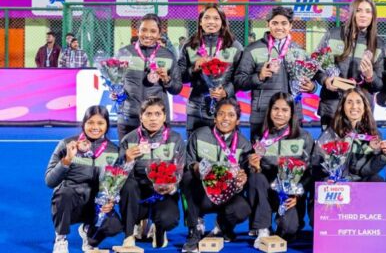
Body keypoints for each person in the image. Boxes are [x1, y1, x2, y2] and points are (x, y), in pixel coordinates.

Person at [45, 106, 122, 253]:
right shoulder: (67, 144)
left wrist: (111, 201)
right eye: (90, 122)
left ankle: (89, 232)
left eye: (100, 123)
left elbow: (116, 183)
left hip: (95, 203)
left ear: (107, 125)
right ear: (83, 124)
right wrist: (67, 160)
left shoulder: (113, 150)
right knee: (65, 194)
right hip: (70, 200)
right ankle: (61, 239)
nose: (95, 127)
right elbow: (50, 181)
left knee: (114, 225)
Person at [234, 7, 315, 140]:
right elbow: (239, 81)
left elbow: (313, 78)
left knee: (291, 152)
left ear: (290, 26)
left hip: (292, 113)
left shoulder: (299, 50)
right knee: (260, 152)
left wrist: (312, 87)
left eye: (284, 23)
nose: (279, 27)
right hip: (262, 114)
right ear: (268, 24)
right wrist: (259, 76)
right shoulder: (253, 49)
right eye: (275, 23)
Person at [181, 99, 251, 252]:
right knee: (187, 177)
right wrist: (195, 167)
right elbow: (188, 162)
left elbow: (245, 176)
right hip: (203, 195)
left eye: (231, 115)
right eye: (221, 114)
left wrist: (240, 182)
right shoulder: (199, 135)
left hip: (228, 195)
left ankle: (223, 225)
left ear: (238, 121)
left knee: (242, 209)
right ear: (214, 118)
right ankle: (194, 230)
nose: (225, 118)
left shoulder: (244, 144)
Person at [247, 93, 316, 242]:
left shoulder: (304, 137)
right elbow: (255, 175)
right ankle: (263, 227)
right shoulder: (259, 136)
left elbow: (310, 172)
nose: (279, 113)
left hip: (290, 195)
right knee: (255, 177)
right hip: (268, 192)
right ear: (269, 111)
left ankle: (287, 223)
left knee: (289, 231)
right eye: (275, 109)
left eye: (285, 110)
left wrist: (297, 195)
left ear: (292, 113)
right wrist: (255, 167)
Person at [118, 97, 185, 249]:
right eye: (148, 114)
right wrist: (127, 159)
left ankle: (158, 228)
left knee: (169, 219)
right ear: (141, 117)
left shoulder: (175, 139)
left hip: (163, 192)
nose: (153, 119)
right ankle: (129, 234)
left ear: (164, 117)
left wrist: (172, 186)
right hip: (137, 193)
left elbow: (180, 170)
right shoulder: (129, 139)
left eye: (157, 114)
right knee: (128, 185)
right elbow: (117, 175)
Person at [315, 0, 384, 128]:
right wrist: (325, 80)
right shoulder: (333, 34)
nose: (363, 15)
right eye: (359, 10)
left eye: (368, 11)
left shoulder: (378, 44)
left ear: (373, 16)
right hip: (332, 108)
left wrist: (370, 76)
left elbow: (379, 85)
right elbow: (315, 66)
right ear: (352, 12)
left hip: (360, 112)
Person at [178, 4, 243, 138]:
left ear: (223, 22)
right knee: (195, 146)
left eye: (216, 18)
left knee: (227, 147)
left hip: (226, 107)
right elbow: (180, 77)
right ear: (200, 22)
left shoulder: (234, 46)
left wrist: (226, 92)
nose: (211, 22)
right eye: (207, 18)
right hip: (196, 108)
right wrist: (194, 68)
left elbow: (241, 78)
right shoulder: (190, 45)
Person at [114, 14, 182, 140]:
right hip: (129, 117)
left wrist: (167, 80)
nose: (148, 35)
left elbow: (177, 88)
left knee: (157, 153)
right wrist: (115, 92)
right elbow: (115, 80)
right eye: (144, 30)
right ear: (137, 31)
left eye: (153, 31)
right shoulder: (124, 53)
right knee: (128, 152)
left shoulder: (168, 55)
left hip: (156, 119)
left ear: (159, 33)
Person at [317, 88, 386, 182]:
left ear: (365, 106)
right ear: (342, 106)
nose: (354, 106)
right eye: (349, 102)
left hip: (363, 180)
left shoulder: (374, 134)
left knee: (377, 180)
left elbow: (368, 170)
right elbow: (318, 164)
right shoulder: (331, 133)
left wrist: (384, 154)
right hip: (337, 181)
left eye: (358, 102)